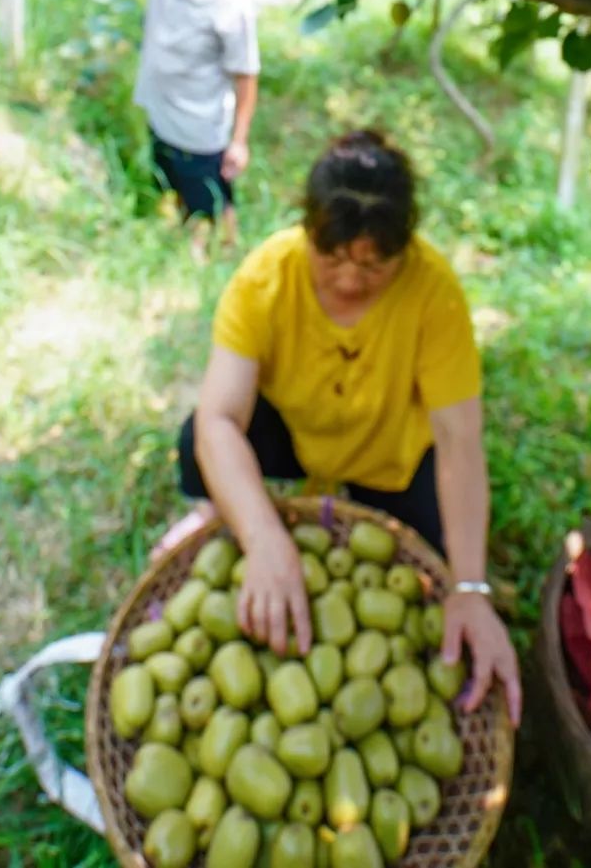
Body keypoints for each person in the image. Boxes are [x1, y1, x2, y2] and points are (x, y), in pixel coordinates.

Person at [166, 130, 522, 725]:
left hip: (388, 452)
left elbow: (460, 442)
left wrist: (471, 588)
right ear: (307, 231)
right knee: (199, 441)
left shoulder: (434, 294)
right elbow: (221, 418)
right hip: (299, 427)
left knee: (438, 561)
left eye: (373, 265)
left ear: (403, 251)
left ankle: (281, 508)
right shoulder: (265, 279)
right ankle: (218, 510)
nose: (350, 280)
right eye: (331, 259)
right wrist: (264, 538)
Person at [102, 0, 259, 243]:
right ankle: (189, 239)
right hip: (161, 112)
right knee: (173, 179)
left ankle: (224, 251)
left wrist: (239, 141)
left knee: (212, 195)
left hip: (200, 127)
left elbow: (246, 76)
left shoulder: (230, 4)